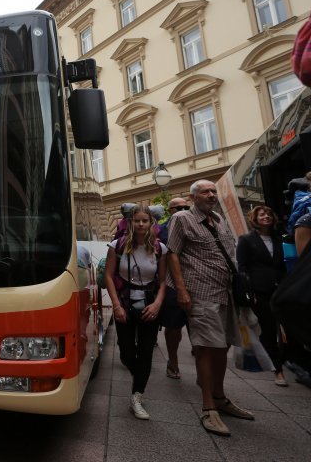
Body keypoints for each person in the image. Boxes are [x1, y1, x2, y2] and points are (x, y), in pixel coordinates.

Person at [168, 180, 254, 437]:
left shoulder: (219, 219)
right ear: (193, 197)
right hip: (201, 294)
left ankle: (220, 397)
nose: (211, 195)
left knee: (223, 345)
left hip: (226, 294)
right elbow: (172, 253)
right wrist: (181, 291)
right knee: (206, 348)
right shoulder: (182, 219)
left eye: (213, 191)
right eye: (205, 192)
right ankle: (208, 407)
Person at [104, 204, 167, 420]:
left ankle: (136, 397)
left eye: (145, 220)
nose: (141, 224)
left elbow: (163, 281)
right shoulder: (117, 246)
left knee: (147, 352)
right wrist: (116, 306)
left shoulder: (160, 249)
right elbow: (109, 277)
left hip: (149, 305)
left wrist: (158, 303)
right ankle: (139, 374)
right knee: (127, 354)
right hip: (125, 305)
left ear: (151, 223)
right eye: (137, 220)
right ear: (130, 223)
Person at [236, 206, 287, 386]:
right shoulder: (246, 240)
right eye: (261, 214)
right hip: (260, 291)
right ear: (254, 219)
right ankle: (278, 369)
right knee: (268, 329)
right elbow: (242, 269)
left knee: (287, 329)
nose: (266, 216)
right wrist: (249, 294)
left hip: (281, 290)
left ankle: (288, 361)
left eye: (269, 213)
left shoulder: (280, 239)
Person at [158, 197, 192, 380]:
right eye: (178, 207)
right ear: (170, 210)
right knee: (173, 326)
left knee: (198, 326)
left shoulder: (197, 224)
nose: (183, 209)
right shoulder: (160, 230)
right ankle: (173, 360)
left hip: (196, 281)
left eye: (186, 206)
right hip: (171, 283)